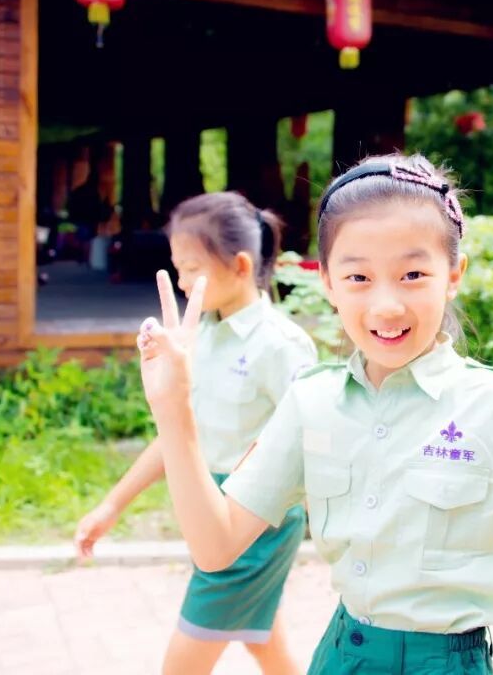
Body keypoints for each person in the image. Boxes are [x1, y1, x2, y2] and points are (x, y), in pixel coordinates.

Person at [137, 154, 493, 674]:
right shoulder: (311, 401)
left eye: (413, 273)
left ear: (453, 275)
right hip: (341, 657)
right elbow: (216, 546)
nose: (386, 305)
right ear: (327, 282)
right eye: (358, 277)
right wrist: (172, 408)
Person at [75, 192, 316, 674]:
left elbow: (310, 447)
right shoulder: (198, 334)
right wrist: (111, 505)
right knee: (262, 639)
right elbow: (179, 437)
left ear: (240, 265)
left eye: (191, 269)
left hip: (256, 522)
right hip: (208, 507)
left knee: (184, 661)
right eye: (177, 268)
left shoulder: (282, 346)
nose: (182, 282)